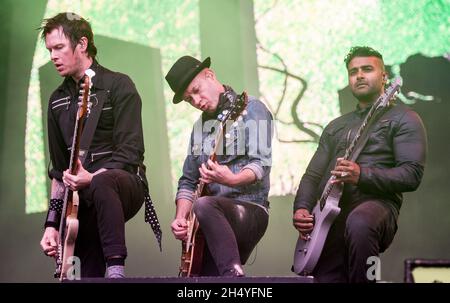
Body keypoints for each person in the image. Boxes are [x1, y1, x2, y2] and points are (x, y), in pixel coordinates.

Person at [39, 12, 161, 279]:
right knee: (79, 273)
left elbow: (130, 152)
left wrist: (91, 177)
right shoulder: (56, 101)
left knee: (101, 184)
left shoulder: (119, 85)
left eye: (59, 47)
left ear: (82, 44)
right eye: (49, 50)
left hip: (123, 184)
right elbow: (60, 171)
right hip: (79, 200)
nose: (53, 57)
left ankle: (115, 271)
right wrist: (51, 225)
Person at [292, 46, 427, 282]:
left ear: (384, 77)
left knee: (360, 222)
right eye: (353, 71)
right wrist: (302, 208)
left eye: (367, 69)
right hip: (328, 216)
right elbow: (312, 176)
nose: (360, 75)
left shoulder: (404, 118)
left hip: (377, 205)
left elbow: (411, 174)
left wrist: (362, 175)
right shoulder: (336, 126)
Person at [165, 56, 273, 276]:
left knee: (204, 205)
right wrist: (180, 218)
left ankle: (233, 276)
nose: (196, 101)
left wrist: (231, 179)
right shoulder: (198, 128)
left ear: (210, 75)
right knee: (200, 279)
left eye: (196, 90)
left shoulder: (252, 108)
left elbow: (261, 164)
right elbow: (188, 180)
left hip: (249, 209)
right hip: (207, 219)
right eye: (189, 99)